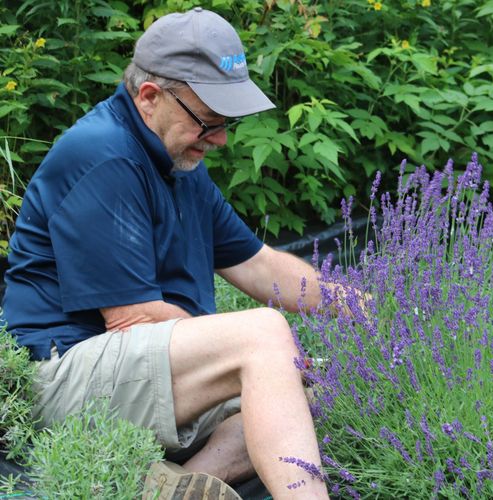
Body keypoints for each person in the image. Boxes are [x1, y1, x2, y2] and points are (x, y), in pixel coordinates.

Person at [1, 8, 331, 499]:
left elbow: (261, 265)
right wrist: (250, 347)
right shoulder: (104, 155)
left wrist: (368, 309)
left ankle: (175, 486)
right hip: (57, 377)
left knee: (308, 388)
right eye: (208, 121)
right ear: (150, 98)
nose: (220, 139)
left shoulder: (180, 165)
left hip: (132, 377)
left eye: (228, 122)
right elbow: (133, 318)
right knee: (263, 338)